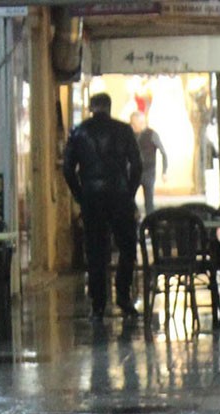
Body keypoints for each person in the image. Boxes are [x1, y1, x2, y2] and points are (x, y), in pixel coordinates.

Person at [62, 93, 143, 323]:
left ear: (91, 108)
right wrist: (129, 191)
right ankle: (124, 296)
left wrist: (80, 194)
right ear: (109, 107)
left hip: (91, 197)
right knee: (127, 247)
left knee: (96, 251)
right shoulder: (124, 130)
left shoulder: (79, 132)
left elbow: (68, 169)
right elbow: (137, 165)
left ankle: (98, 304)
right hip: (119, 195)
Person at [130, 111, 167, 213]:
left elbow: (163, 152)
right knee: (128, 197)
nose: (132, 126)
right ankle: (135, 216)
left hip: (148, 172)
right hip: (134, 171)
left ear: (141, 122)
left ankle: (150, 223)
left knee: (149, 202)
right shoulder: (130, 134)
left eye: (134, 124)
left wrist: (164, 171)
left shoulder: (152, 134)